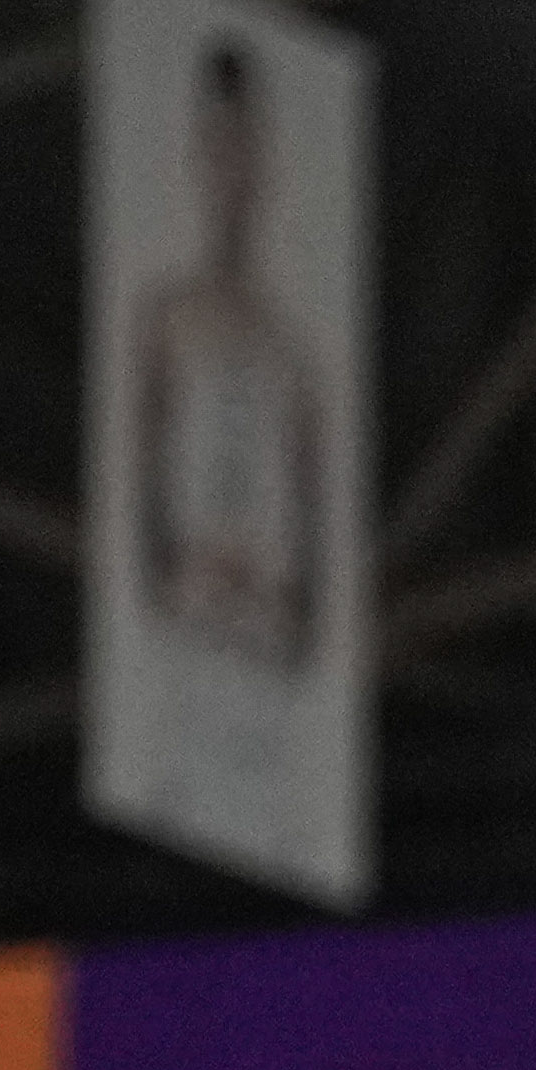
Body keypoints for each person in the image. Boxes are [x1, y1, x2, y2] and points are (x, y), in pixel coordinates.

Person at [128, 40, 330, 719]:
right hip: (185, 633)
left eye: (245, 147)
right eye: (218, 145)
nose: (232, 170)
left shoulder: (293, 354)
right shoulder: (168, 322)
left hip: (266, 650)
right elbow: (144, 506)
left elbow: (313, 545)